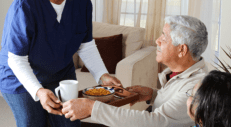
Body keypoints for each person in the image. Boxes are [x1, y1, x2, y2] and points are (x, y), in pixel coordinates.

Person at [0, 0, 122, 127]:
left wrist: (102, 75)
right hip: (19, 77)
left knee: (70, 122)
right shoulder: (25, 5)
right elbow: (16, 59)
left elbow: (85, 45)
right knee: (32, 122)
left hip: (60, 74)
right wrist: (38, 90)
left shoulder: (82, 2)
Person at [61, 15, 209, 127]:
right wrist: (153, 94)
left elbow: (155, 122)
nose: (157, 40)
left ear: (181, 50)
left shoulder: (195, 87)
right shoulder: (180, 72)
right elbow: (174, 112)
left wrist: (92, 108)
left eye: (164, 37)